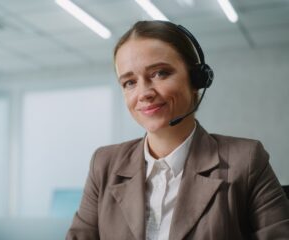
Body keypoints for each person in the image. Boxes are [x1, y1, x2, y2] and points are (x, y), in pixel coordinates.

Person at [66, 21, 289, 240]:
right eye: (129, 82)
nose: (144, 93)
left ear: (196, 80)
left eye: (160, 73)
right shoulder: (104, 164)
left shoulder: (246, 160)